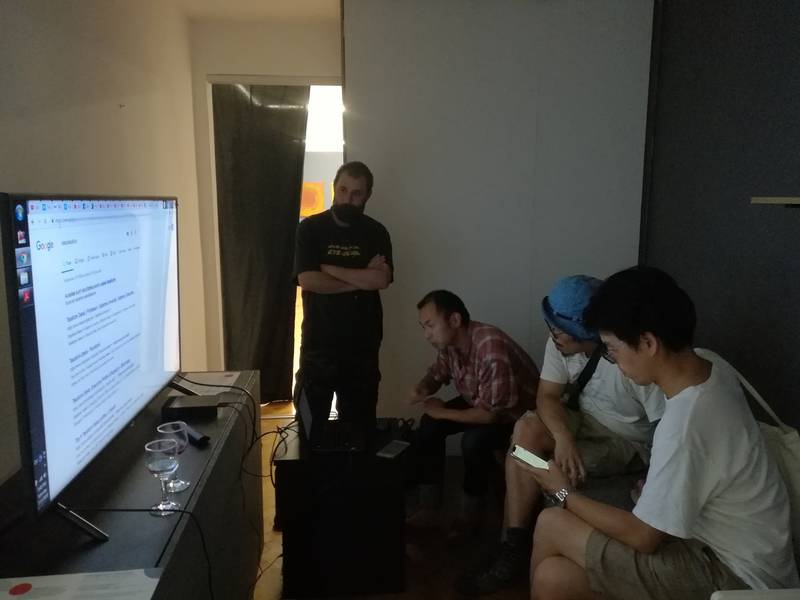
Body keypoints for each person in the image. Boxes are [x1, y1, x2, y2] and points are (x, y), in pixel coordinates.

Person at [524, 266, 799, 600]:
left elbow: (644, 536)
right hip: (741, 551)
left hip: (734, 575)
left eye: (612, 349)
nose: (612, 360)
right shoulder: (710, 365)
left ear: (648, 342)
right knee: (554, 578)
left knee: (552, 522)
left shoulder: (684, 422)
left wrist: (564, 493)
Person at [459, 275, 663, 596]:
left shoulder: (631, 361)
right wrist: (563, 437)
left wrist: (654, 479)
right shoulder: (559, 341)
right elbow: (547, 396)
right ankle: (513, 542)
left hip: (624, 441)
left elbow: (663, 425)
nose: (553, 335)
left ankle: (514, 541)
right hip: (580, 419)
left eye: (560, 329)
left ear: (586, 331)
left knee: (526, 458)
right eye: (550, 325)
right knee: (523, 439)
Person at [407, 289, 539, 536]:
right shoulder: (450, 344)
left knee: (473, 442)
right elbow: (438, 374)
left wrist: (442, 413)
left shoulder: (490, 348)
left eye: (430, 325)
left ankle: (470, 513)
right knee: (428, 425)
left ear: (454, 320)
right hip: (482, 403)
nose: (427, 334)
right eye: (423, 327)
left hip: (516, 418)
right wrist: (423, 386)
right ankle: (429, 506)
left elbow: (491, 416)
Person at [293, 161, 393, 432]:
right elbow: (308, 280)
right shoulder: (310, 229)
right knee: (309, 432)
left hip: (363, 349)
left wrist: (329, 268)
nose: (348, 198)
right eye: (343, 190)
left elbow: (381, 279)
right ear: (334, 188)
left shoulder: (376, 232)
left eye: (356, 193)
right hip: (318, 346)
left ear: (367, 195)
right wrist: (360, 279)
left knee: (359, 432)